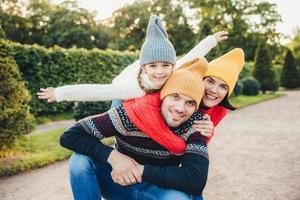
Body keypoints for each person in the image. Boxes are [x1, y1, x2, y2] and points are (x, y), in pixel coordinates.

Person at [37, 15, 228, 154]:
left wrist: (211, 40)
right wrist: (60, 93)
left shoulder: (174, 70)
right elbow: (96, 91)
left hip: (146, 87)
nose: (160, 71)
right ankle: (119, 149)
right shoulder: (132, 87)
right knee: (119, 118)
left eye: (165, 65)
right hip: (121, 92)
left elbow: (192, 55)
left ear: (172, 65)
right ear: (144, 67)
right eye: (153, 66)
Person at [60, 57, 209, 200]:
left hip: (157, 190)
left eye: (190, 103)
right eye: (175, 97)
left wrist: (139, 170)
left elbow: (195, 180)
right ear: (163, 96)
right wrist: (113, 156)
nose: (180, 108)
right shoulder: (132, 114)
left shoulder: (196, 124)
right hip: (116, 182)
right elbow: (70, 136)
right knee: (80, 161)